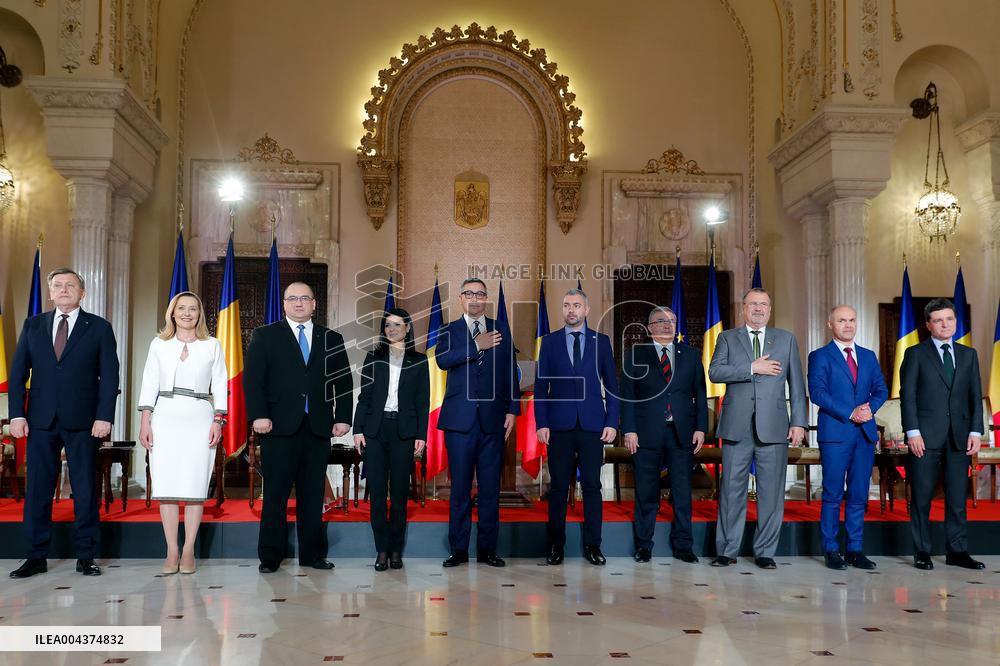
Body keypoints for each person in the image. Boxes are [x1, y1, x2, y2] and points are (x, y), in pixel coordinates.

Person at [8, 268, 119, 579]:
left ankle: (86, 557)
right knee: (38, 490)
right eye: (58, 285)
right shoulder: (33, 325)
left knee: (85, 490)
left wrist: (104, 416)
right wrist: (17, 414)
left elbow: (110, 376)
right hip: (40, 421)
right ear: (50, 292)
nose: (64, 289)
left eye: (71, 285)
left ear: (83, 293)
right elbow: (18, 374)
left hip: (84, 422)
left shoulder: (99, 327)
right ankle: (35, 557)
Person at [243, 282, 353, 573]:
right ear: (284, 304)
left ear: (314, 304)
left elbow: (343, 382)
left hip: (317, 427)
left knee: (313, 495)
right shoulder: (265, 335)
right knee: (275, 495)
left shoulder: (331, 338)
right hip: (277, 427)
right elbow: (253, 380)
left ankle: (312, 555)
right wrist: (258, 415)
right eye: (293, 298)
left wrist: (343, 417)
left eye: (305, 298)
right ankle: (270, 556)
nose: (299, 303)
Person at [708, 288, 807, 569]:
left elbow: (797, 385)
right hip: (736, 427)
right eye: (753, 304)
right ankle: (727, 550)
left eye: (763, 304)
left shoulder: (786, 339)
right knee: (731, 491)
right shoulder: (727, 338)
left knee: (771, 493)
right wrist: (751, 367)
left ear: (770, 309)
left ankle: (765, 552)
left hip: (774, 427)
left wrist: (798, 422)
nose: (758, 309)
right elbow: (715, 372)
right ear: (743, 308)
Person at [137, 291, 228, 575]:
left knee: (194, 486)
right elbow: (149, 382)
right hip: (165, 416)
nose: (187, 313)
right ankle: (171, 550)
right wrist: (145, 421)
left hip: (200, 417)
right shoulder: (159, 344)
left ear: (200, 315)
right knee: (166, 487)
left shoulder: (212, 345)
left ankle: (188, 550)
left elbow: (220, 383)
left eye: (193, 309)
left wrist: (218, 420)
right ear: (172, 313)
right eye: (182, 308)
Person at [435, 278, 520, 567]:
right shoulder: (449, 329)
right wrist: (476, 345)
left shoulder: (501, 328)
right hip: (460, 423)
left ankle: (487, 550)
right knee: (460, 490)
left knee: (490, 490)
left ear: (486, 299)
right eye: (469, 293)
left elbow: (510, 371)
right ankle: (458, 550)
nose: (475, 298)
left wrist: (512, 410)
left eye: (480, 294)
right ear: (461, 298)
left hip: (493, 421)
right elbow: (443, 360)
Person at [534, 289, 619, 566]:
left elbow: (612, 386)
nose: (571, 310)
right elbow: (540, 387)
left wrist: (612, 421)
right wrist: (542, 423)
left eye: (577, 305)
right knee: (558, 487)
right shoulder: (549, 342)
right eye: (567, 305)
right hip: (559, 426)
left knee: (592, 486)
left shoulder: (601, 342)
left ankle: (594, 546)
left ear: (586, 310)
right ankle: (555, 546)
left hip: (593, 425)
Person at [900, 298, 984, 571]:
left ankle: (957, 551)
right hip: (924, 437)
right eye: (938, 320)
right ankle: (922, 551)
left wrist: (976, 431)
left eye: (949, 319)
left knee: (958, 498)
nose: (944, 324)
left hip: (960, 436)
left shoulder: (968, 355)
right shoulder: (915, 354)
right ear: (928, 325)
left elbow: (975, 395)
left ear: (955, 322)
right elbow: (907, 396)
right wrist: (912, 432)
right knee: (922, 496)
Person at [621, 306, 707, 564]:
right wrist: (629, 429)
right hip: (646, 432)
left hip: (682, 433)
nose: (668, 325)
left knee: (682, 492)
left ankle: (683, 546)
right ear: (650, 328)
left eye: (672, 321)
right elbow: (628, 395)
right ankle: (643, 546)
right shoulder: (636, 354)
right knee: (646, 492)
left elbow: (700, 394)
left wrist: (701, 427)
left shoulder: (690, 355)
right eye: (661, 321)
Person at [807, 305, 888, 570]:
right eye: (842, 320)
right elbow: (817, 393)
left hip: (864, 435)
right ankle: (831, 550)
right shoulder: (820, 356)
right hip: (836, 434)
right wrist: (850, 412)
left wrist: (869, 409)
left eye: (852, 320)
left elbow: (881, 390)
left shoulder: (868, 356)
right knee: (832, 493)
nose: (848, 325)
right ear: (830, 324)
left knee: (858, 494)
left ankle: (855, 549)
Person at [353, 308, 429, 571]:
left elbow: (423, 401)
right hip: (375, 431)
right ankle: (382, 550)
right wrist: (358, 430)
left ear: (407, 328)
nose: (392, 329)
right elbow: (364, 396)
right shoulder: (373, 358)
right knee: (377, 493)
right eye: (388, 325)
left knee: (398, 494)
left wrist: (421, 435)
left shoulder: (419, 360)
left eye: (397, 325)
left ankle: (396, 550)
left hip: (404, 432)